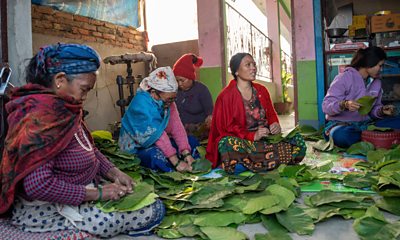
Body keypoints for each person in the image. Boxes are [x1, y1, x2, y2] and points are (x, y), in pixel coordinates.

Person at [0, 43, 165, 238]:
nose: (85, 97)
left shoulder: (66, 108)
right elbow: (38, 185)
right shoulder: (41, 117)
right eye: (84, 89)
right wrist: (99, 194)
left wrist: (114, 172)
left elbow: (90, 149)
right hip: (46, 208)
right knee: (152, 210)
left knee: (149, 200)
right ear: (60, 80)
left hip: (82, 192)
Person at [205, 52, 306, 174]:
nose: (253, 68)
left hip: (265, 142)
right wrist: (252, 136)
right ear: (236, 71)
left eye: (254, 64)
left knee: (297, 140)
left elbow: (271, 114)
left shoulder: (262, 90)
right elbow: (226, 128)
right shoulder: (225, 96)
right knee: (225, 143)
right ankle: (266, 162)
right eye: (248, 65)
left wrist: (275, 124)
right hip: (244, 144)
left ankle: (252, 163)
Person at [118, 66, 199, 173]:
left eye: (174, 98)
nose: (172, 102)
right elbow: (157, 135)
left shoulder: (168, 102)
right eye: (169, 99)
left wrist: (186, 153)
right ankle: (172, 171)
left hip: (159, 140)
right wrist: (176, 162)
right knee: (156, 156)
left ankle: (187, 163)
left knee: (192, 142)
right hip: (138, 147)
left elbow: (176, 126)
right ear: (153, 93)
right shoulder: (141, 104)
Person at [322, 46, 400, 148]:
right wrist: (344, 104)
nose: (381, 69)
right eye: (380, 66)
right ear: (369, 64)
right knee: (343, 135)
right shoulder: (344, 78)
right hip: (342, 125)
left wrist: (381, 111)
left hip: (366, 125)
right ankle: (375, 138)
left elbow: (373, 111)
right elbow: (326, 106)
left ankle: (369, 138)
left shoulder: (377, 83)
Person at [173, 53, 214, 141]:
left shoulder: (202, 90)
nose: (179, 84)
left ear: (190, 77)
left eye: (182, 80)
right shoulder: (175, 91)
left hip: (199, 131)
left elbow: (211, 113)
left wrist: (210, 118)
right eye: (177, 80)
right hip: (179, 130)